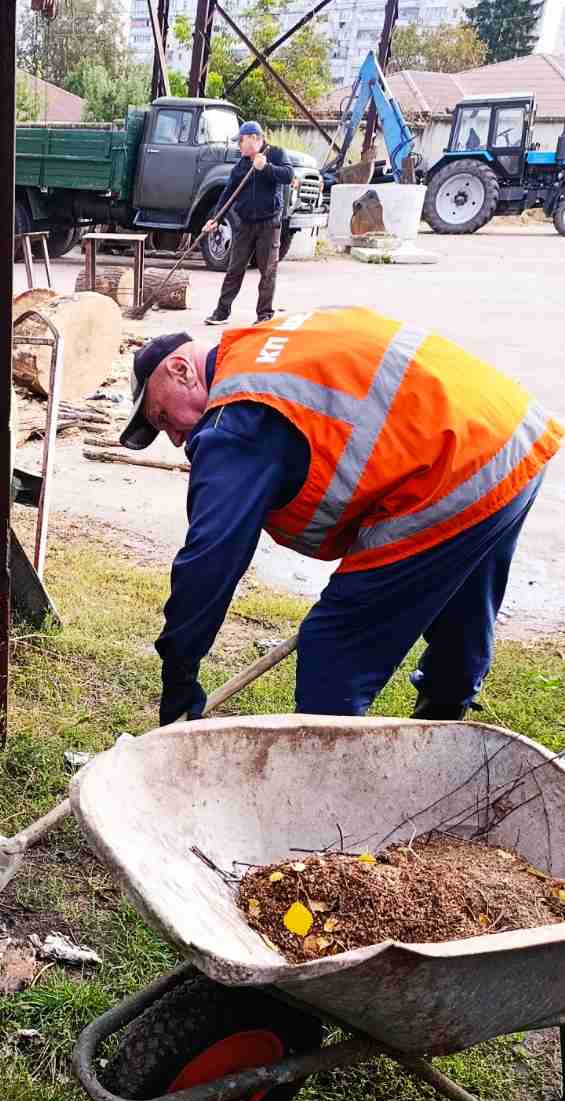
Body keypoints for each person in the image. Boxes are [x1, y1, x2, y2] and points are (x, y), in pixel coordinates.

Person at [118, 310, 562, 724]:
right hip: (508, 436)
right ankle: (443, 727)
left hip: (450, 469)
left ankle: (329, 778)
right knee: (463, 602)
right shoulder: (265, 342)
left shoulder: (237, 418)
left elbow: (211, 559)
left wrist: (179, 675)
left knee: (334, 649)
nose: (176, 439)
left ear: (180, 370)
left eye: (163, 417)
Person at [203, 121, 293, 327]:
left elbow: (288, 176)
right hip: (245, 224)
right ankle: (221, 312)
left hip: (269, 224)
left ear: (254, 138)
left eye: (241, 141)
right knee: (234, 269)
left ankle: (264, 315)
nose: (239, 146)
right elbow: (228, 194)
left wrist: (266, 168)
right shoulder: (241, 165)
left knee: (268, 271)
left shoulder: (277, 154)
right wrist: (215, 219)